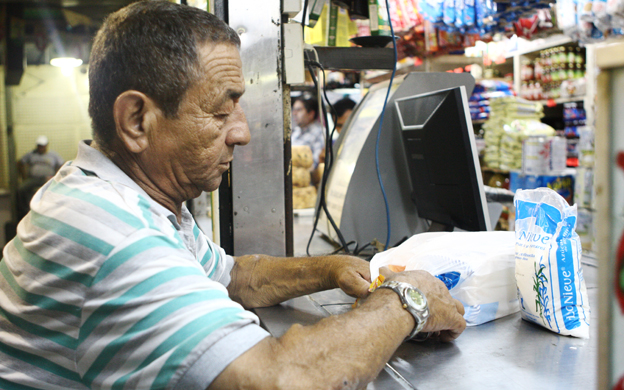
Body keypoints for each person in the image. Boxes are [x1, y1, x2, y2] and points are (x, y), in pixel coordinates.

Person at [0, 2, 466, 389]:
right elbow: (278, 379)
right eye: (221, 111)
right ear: (137, 121)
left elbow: (236, 276)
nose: (242, 132)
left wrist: (333, 267)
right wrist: (407, 299)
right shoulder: (112, 234)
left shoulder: (132, 200)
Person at [16, 135, 64, 219]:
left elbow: (62, 164)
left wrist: (57, 175)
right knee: (21, 189)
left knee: (58, 189)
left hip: (47, 178)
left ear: (46, 145)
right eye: (39, 146)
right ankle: (25, 211)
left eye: (42, 146)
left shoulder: (53, 155)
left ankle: (54, 211)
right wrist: (24, 177)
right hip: (33, 179)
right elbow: (20, 163)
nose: (40, 148)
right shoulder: (31, 154)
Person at [292, 95, 325, 167]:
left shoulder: (320, 133)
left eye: (299, 110)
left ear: (311, 114)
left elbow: (316, 163)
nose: (294, 113)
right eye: (294, 110)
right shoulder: (296, 132)